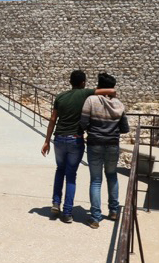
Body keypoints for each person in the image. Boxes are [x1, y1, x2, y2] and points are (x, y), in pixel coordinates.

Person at [41, 70, 116, 223]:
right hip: (75, 139)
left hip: (59, 138)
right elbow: (111, 90)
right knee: (71, 176)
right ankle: (67, 213)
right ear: (83, 82)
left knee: (59, 170)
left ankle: (56, 203)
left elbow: (53, 119)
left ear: (70, 82)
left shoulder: (60, 97)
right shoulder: (85, 93)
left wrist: (47, 141)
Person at [80, 72, 129, 229]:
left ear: (99, 85)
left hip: (94, 143)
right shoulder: (119, 104)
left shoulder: (91, 100)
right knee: (112, 176)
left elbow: (83, 123)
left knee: (96, 180)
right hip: (113, 144)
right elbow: (125, 128)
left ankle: (95, 217)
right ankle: (114, 211)